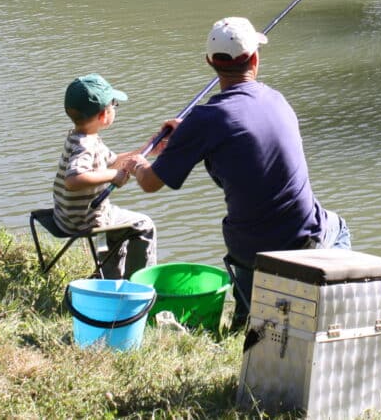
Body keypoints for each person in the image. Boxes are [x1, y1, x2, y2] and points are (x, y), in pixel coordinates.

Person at [123, 17, 350, 329]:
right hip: (299, 242)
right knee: (338, 227)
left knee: (254, 225)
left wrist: (138, 163)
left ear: (210, 62)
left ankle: (247, 315)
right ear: (254, 59)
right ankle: (332, 317)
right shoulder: (277, 100)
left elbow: (149, 183)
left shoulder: (204, 120)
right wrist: (188, 137)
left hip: (246, 249)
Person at [52, 73, 157, 279]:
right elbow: (73, 179)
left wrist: (148, 149)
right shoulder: (86, 146)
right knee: (145, 225)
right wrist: (113, 176)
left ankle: (110, 276)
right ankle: (139, 284)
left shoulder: (80, 137)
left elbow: (114, 160)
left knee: (120, 221)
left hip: (67, 216)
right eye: (114, 105)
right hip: (85, 220)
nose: (115, 109)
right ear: (103, 116)